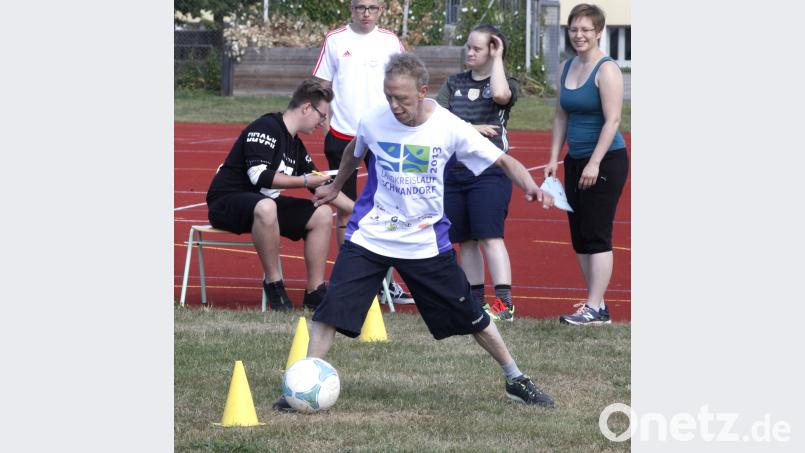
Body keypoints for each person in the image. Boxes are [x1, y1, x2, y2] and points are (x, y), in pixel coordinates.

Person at [273, 53, 556, 410]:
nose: (394, 106)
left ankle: (516, 379)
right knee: (329, 311)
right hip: (371, 236)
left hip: (424, 242)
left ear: (423, 92)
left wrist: (530, 185)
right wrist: (336, 186)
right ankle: (303, 385)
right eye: (389, 97)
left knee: (473, 317)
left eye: (402, 99)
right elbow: (353, 151)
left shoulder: (449, 126)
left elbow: (502, 160)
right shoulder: (375, 119)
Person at [205, 79, 353, 311]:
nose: (323, 122)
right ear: (306, 108)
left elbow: (321, 186)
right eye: (322, 116)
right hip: (228, 202)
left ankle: (315, 291)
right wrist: (305, 180)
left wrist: (356, 209)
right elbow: (259, 176)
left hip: (265, 205)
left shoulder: (296, 145)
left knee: (322, 213)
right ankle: (274, 284)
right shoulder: (265, 127)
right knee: (266, 206)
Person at [312, 0, 414, 305]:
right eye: (360, 7)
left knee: (392, 208)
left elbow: (407, 81)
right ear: (350, 9)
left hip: (384, 136)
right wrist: (327, 125)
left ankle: (386, 282)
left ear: (382, 9)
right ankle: (350, 280)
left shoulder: (391, 42)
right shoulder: (335, 40)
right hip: (343, 135)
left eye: (372, 7)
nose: (366, 13)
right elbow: (321, 86)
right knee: (346, 211)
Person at [544, 4, 629, 326]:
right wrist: (554, 157)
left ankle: (594, 307)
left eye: (586, 30)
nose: (579, 35)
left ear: (598, 32)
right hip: (576, 160)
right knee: (579, 235)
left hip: (605, 161)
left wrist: (594, 163)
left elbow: (613, 121)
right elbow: (561, 114)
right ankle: (598, 306)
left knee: (596, 233)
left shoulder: (606, 69)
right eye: (574, 29)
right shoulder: (567, 67)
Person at [435, 24, 519, 322]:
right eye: (468, 47)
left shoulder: (506, 83)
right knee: (465, 240)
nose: (470, 52)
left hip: (490, 171)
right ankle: (475, 302)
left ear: (493, 51)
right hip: (455, 171)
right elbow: (436, 117)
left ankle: (505, 304)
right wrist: (470, 129)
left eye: (478, 48)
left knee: (489, 236)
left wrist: (497, 59)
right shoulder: (454, 82)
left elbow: (499, 94)